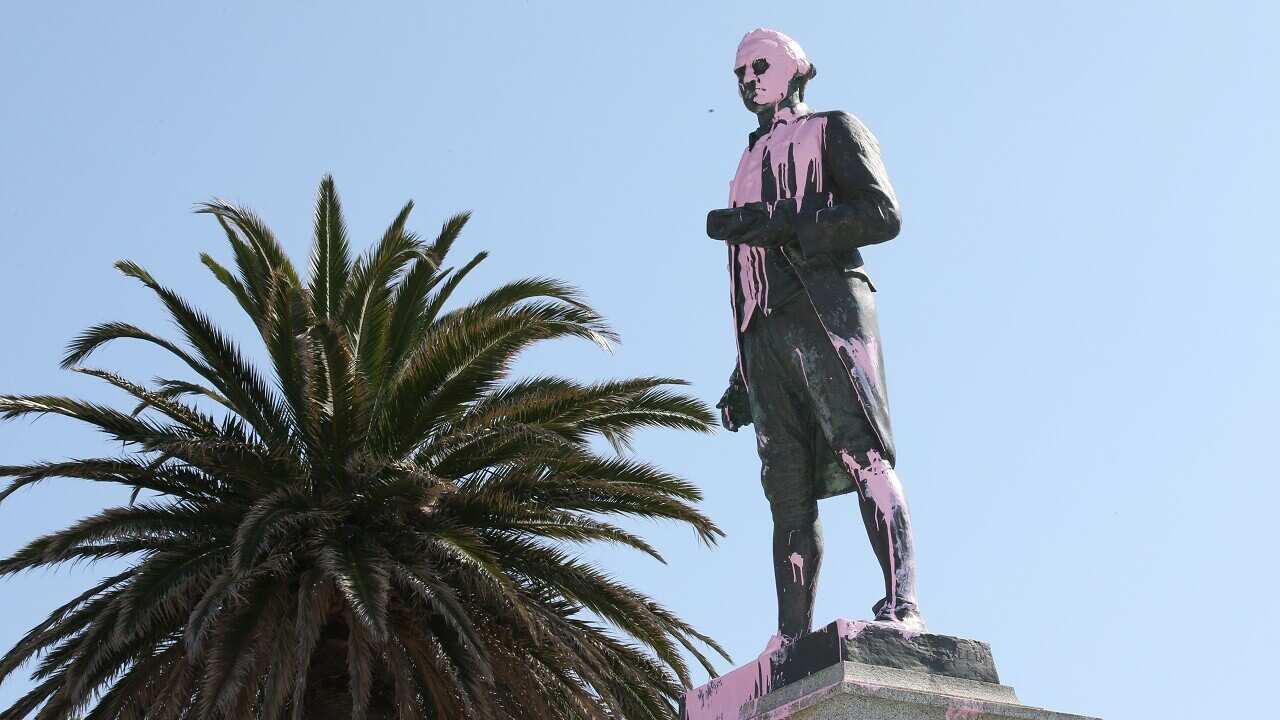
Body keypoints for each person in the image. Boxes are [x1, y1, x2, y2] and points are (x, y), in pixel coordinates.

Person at [707, 28, 925, 640]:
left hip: (827, 317)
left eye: (758, 66)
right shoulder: (744, 164)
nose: (748, 80)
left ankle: (902, 606)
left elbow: (883, 213)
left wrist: (784, 226)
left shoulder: (833, 128)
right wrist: (740, 374)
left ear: (795, 68)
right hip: (764, 337)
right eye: (739, 74)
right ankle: (791, 638)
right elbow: (747, 276)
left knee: (865, 456)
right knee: (787, 494)